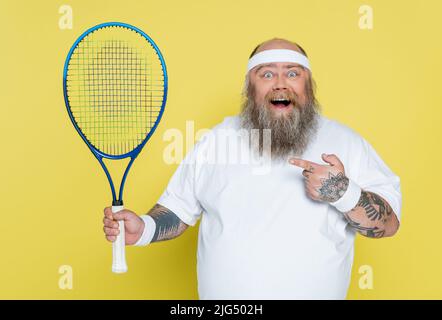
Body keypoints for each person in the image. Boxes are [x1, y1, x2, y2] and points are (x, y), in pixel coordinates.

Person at [103, 38, 401, 299]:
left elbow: (389, 224)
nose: (281, 83)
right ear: (250, 87)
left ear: (308, 86)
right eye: (267, 73)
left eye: (293, 73)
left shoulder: (348, 142)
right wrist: (144, 229)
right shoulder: (216, 141)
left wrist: (343, 193)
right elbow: (179, 208)